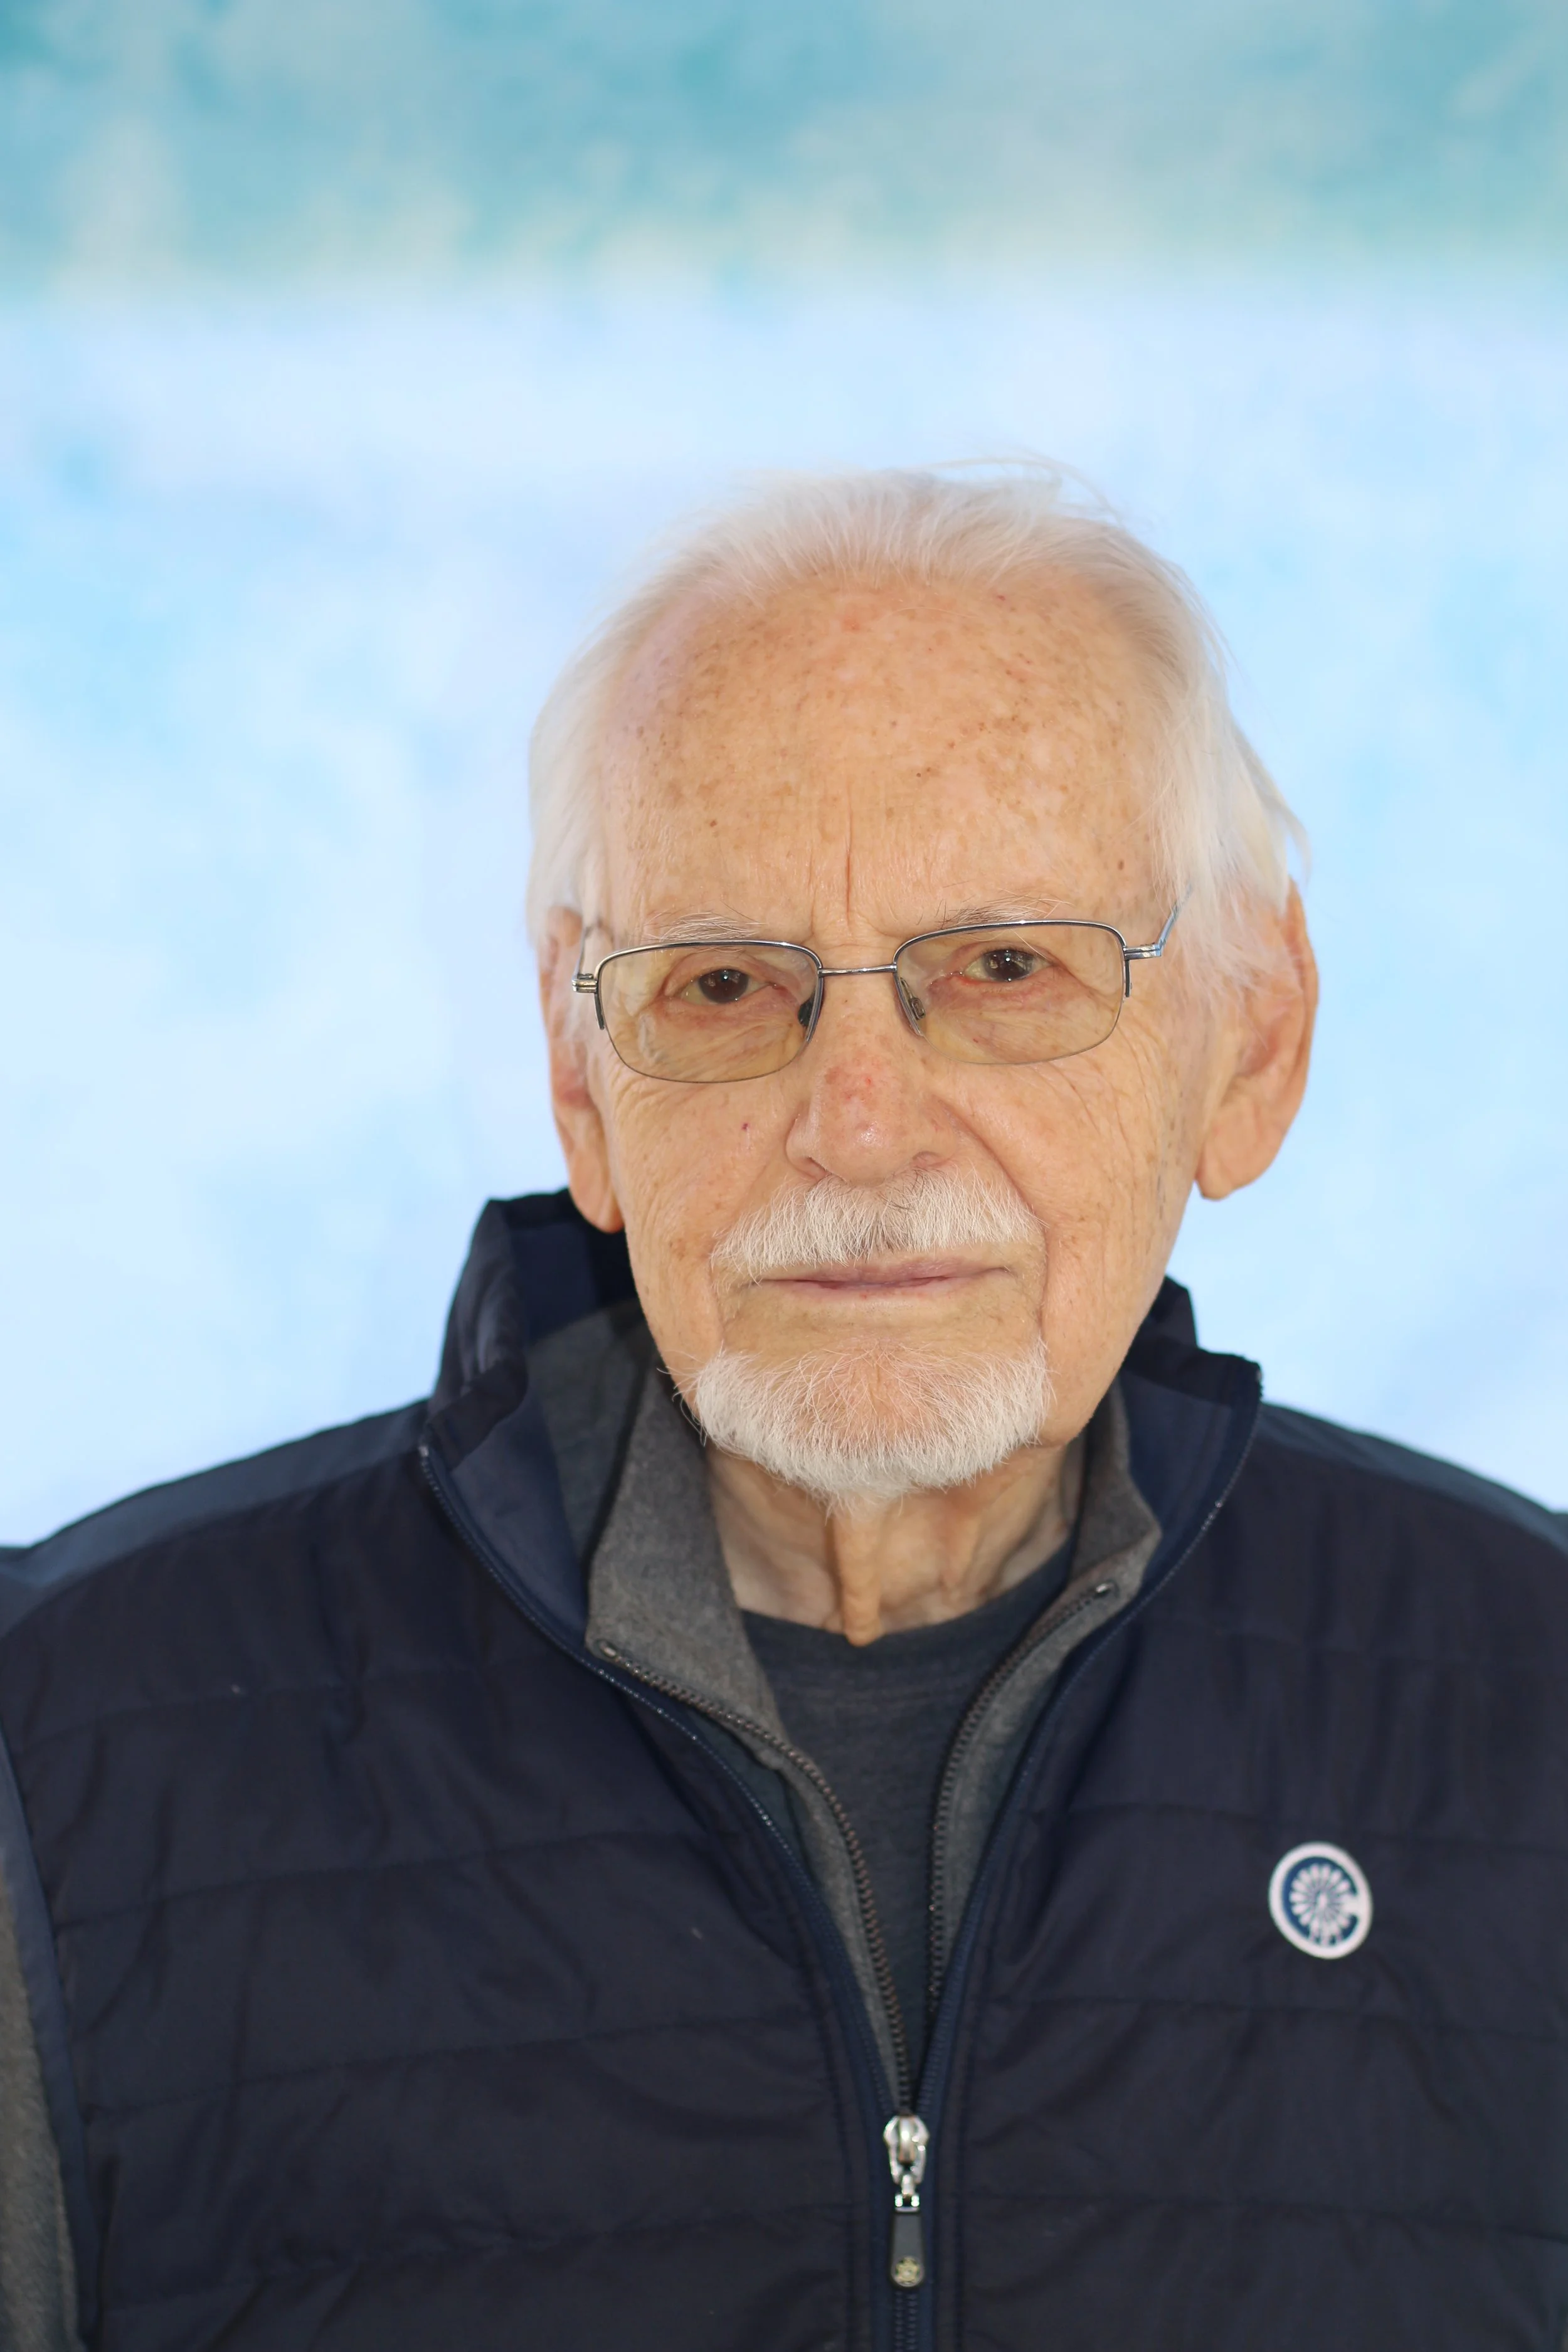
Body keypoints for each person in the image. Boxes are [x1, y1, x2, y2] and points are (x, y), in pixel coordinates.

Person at [1, 468, 1564, 2352]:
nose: (858, 1123)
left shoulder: (1529, 1703)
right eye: (726, 984)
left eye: (1002, 968)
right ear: (583, 1077)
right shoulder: (64, 1755)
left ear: (1250, 1035)